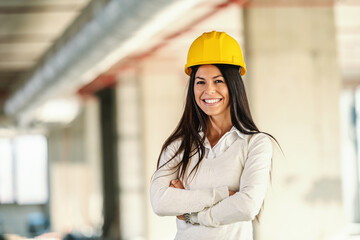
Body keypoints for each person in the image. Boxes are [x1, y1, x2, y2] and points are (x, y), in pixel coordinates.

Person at [150, 31, 277, 240]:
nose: (208, 90)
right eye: (200, 82)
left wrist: (193, 216)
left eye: (218, 81)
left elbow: (246, 206)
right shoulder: (179, 145)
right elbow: (160, 202)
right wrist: (222, 195)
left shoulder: (256, 143)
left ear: (233, 85)